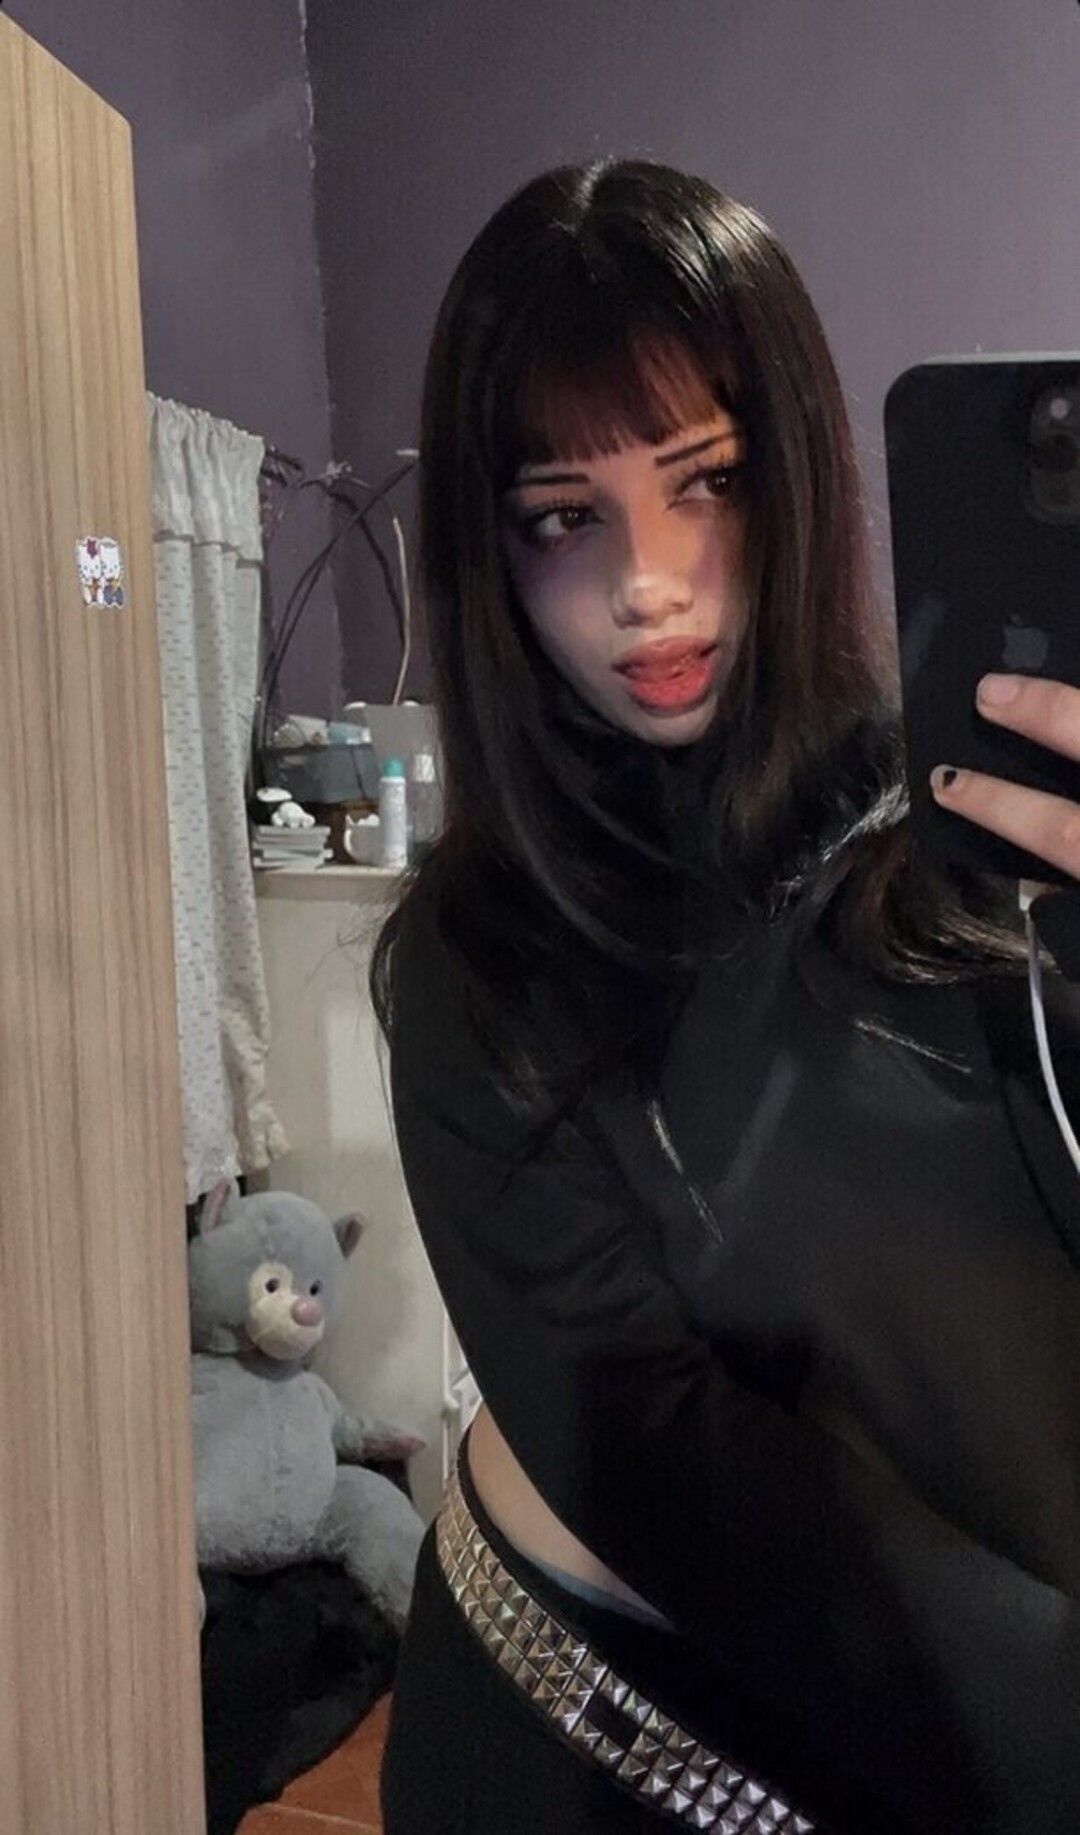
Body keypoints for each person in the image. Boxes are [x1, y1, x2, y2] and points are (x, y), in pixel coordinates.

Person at [373, 159, 1080, 1833]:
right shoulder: (479, 970)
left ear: (801, 469)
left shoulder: (974, 840)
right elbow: (700, 1483)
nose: (649, 584)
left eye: (705, 482)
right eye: (564, 516)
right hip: (602, 1746)